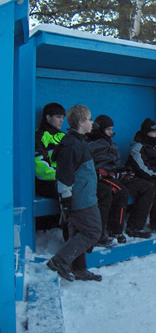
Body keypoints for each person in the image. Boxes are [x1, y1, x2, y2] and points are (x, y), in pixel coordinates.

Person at [46, 105, 103, 282]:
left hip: (84, 195)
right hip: (81, 199)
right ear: (80, 122)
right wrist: (67, 199)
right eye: (89, 119)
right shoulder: (71, 144)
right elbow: (64, 175)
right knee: (93, 231)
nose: (92, 123)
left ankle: (78, 269)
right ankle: (59, 261)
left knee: (79, 232)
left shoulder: (78, 141)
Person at [87, 115, 154, 241]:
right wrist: (106, 172)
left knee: (147, 186)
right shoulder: (91, 144)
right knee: (121, 191)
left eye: (111, 129)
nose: (111, 132)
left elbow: (117, 163)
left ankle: (135, 226)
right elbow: (90, 165)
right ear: (99, 129)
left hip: (116, 175)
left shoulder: (112, 144)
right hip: (102, 177)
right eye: (108, 129)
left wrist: (124, 171)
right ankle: (115, 230)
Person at [35, 103, 66, 199]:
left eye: (63, 117)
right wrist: (62, 177)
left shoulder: (65, 136)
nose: (62, 121)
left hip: (65, 179)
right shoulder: (39, 135)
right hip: (47, 182)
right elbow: (38, 165)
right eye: (58, 117)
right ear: (48, 117)